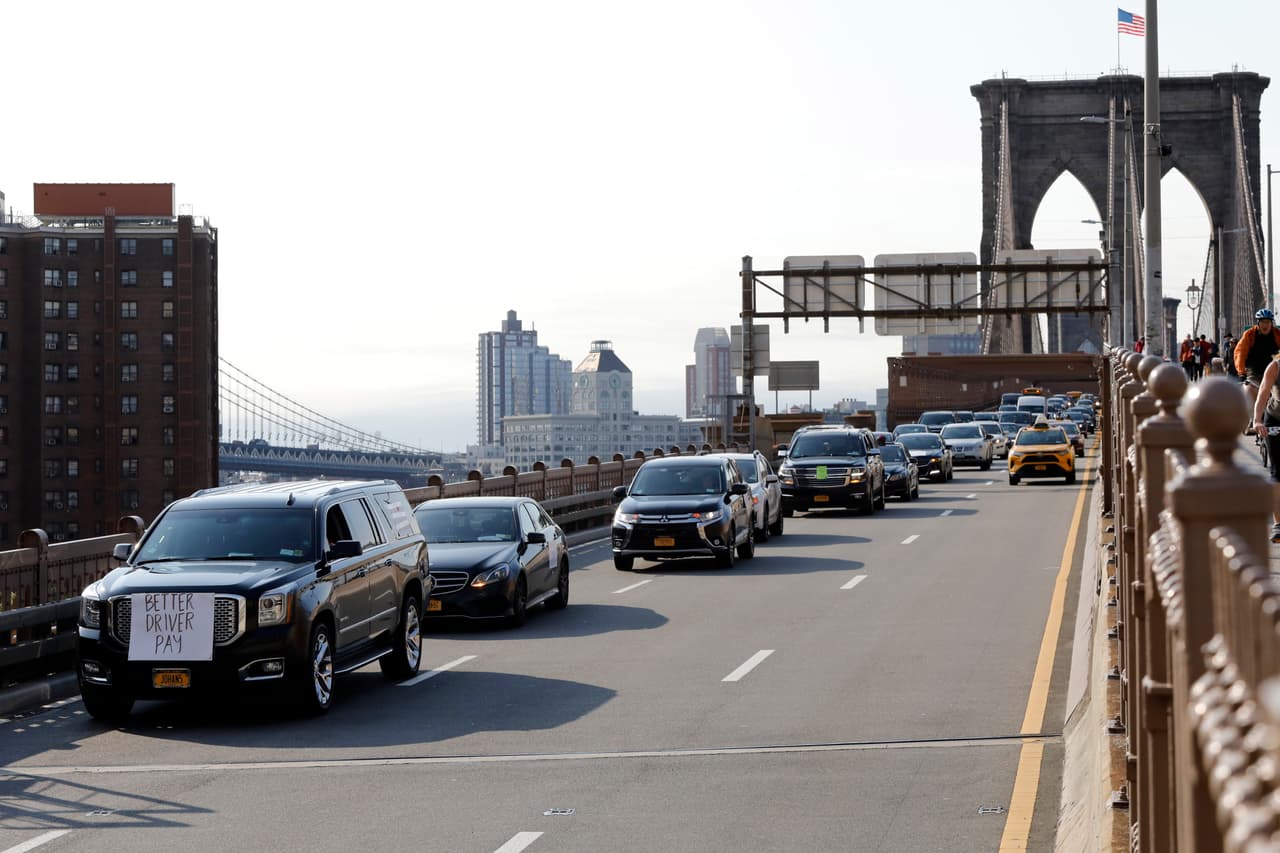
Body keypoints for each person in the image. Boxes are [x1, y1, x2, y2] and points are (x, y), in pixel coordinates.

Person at [1251, 352, 1280, 542]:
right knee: (1278, 472)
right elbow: (1263, 393)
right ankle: (1278, 524)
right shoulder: (1275, 367)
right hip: (1276, 419)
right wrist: (1257, 420)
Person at [1235, 309, 1280, 407]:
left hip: (1272, 371)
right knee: (1249, 391)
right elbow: (1240, 353)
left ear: (1271, 323)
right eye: (1263, 322)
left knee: (1277, 395)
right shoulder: (1249, 335)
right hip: (1254, 372)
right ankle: (1251, 413)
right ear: (1258, 323)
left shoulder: (1277, 334)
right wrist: (1241, 372)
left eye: (1268, 322)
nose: (1265, 325)